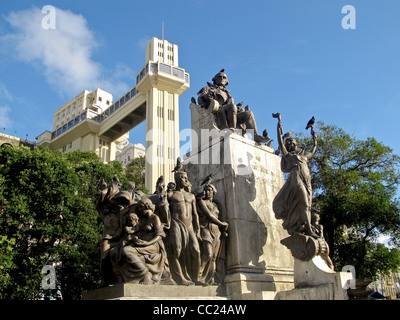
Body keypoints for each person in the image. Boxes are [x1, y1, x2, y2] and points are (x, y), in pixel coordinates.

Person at [272, 113, 318, 238]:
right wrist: (279, 123)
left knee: (308, 205)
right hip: (296, 178)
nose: (291, 144)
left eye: (293, 143)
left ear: (297, 145)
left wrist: (313, 133)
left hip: (307, 180)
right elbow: (280, 143)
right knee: (303, 202)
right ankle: (308, 229)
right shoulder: (289, 156)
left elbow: (313, 148)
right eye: (289, 143)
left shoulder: (304, 157)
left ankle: (304, 225)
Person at [197, 69, 269, 143]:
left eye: (224, 77)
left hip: (231, 113)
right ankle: (232, 129)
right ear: (215, 80)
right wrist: (208, 98)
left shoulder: (227, 94)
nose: (222, 78)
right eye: (220, 77)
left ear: (227, 81)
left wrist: (239, 108)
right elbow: (200, 98)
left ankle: (254, 135)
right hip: (219, 112)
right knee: (232, 106)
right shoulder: (209, 89)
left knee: (248, 113)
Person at [112, 198, 170, 284]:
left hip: (153, 245)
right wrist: (135, 239)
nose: (139, 209)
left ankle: (144, 272)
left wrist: (147, 243)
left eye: (140, 207)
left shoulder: (155, 218)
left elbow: (159, 235)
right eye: (138, 207)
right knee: (115, 251)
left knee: (126, 250)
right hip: (142, 243)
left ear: (147, 206)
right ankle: (121, 278)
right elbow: (135, 231)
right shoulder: (142, 219)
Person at [166, 170, 202, 285]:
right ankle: (179, 277)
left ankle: (196, 278)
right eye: (183, 178)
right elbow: (163, 208)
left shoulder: (191, 196)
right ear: (177, 179)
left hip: (190, 226)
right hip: (177, 223)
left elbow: (195, 214)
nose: (186, 180)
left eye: (186, 178)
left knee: (196, 250)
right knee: (176, 251)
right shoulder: (171, 195)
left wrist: (198, 229)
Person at [196, 184, 228, 284]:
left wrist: (222, 228)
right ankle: (198, 276)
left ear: (214, 191)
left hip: (216, 231)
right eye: (205, 190)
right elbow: (209, 215)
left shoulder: (216, 205)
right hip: (206, 228)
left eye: (209, 190)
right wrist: (222, 223)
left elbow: (218, 216)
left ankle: (211, 278)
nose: (207, 192)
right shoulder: (202, 202)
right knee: (208, 254)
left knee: (214, 257)